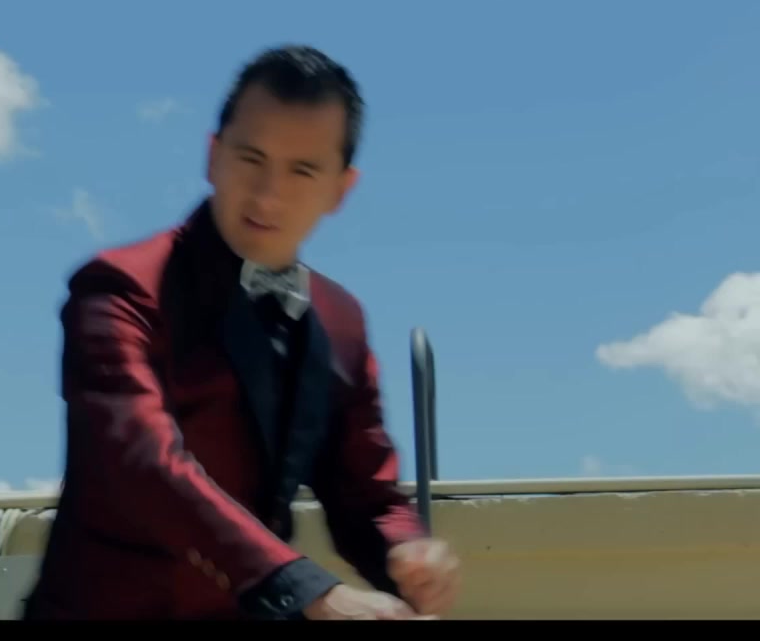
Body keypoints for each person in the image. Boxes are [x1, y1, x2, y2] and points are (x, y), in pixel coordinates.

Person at [23, 46, 461, 621]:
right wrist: (312, 592)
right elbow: (143, 465)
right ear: (213, 156)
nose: (267, 195)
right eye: (251, 158)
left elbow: (365, 492)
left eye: (302, 170)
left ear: (341, 189)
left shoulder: (342, 320)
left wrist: (406, 551)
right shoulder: (119, 286)